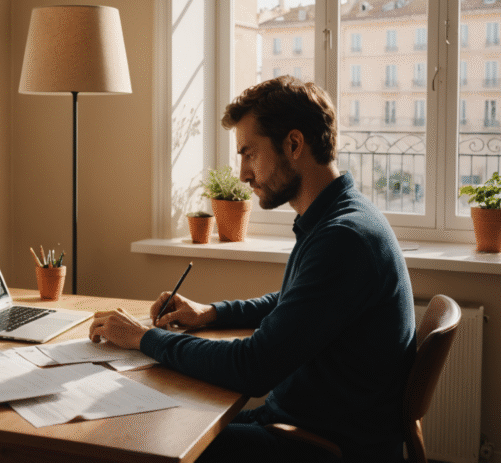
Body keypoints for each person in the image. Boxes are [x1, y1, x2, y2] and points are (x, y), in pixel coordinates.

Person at [90, 76, 416, 462]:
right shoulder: (341, 217)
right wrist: (210, 313)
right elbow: (295, 302)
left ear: (294, 144)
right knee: (165, 418)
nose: (244, 174)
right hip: (304, 422)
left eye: (249, 154)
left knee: (141, 439)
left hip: (322, 446)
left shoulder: (344, 238)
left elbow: (252, 368)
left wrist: (143, 338)